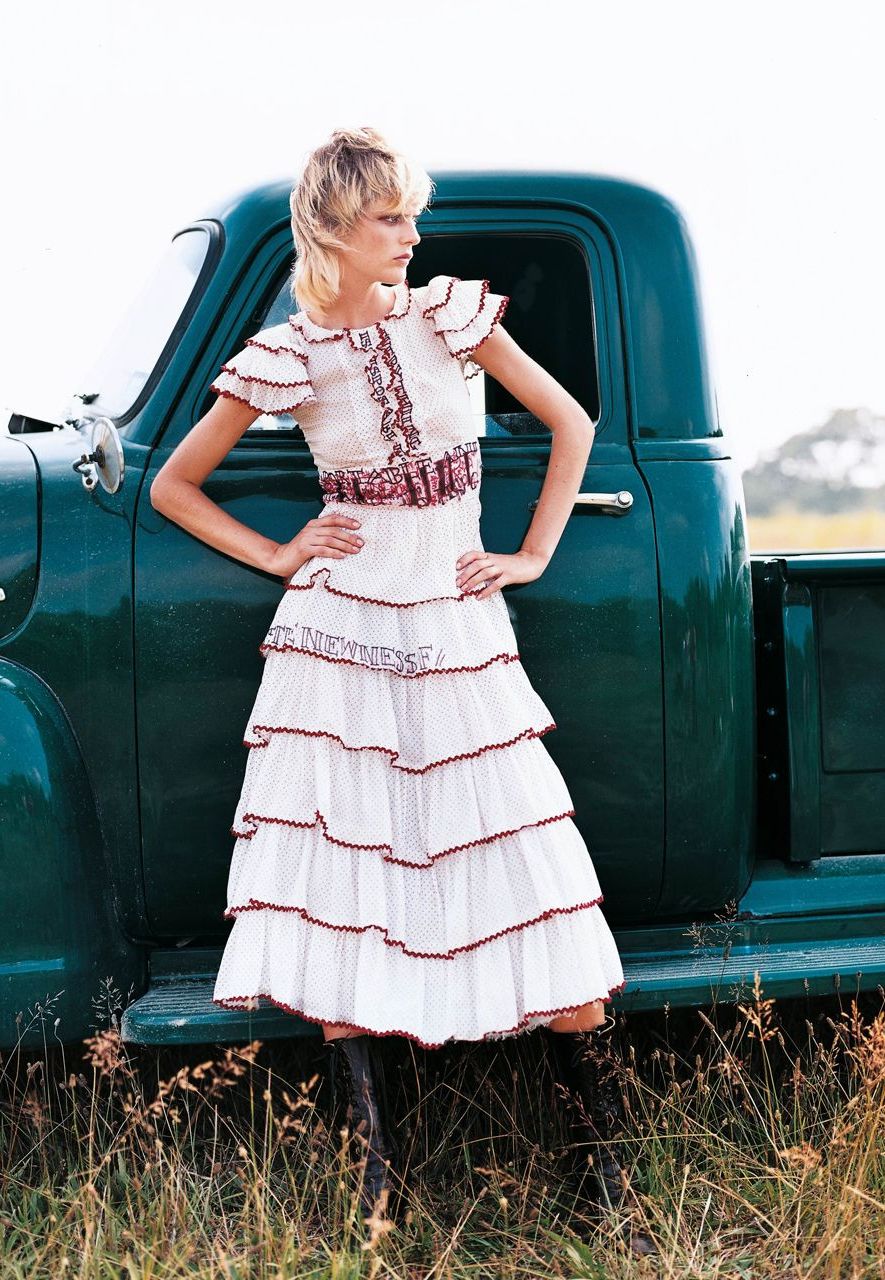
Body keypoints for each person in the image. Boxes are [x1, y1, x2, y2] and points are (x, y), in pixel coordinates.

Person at [150, 126, 655, 1256]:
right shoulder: (286, 355)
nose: (415, 235)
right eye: (393, 217)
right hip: (339, 639)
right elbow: (175, 486)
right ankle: (379, 1188)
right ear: (334, 224)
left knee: (526, 862)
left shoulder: (447, 316)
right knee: (350, 874)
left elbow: (571, 423)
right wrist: (280, 552)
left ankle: (607, 1172)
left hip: (459, 626)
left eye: (412, 216)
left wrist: (529, 553)